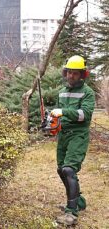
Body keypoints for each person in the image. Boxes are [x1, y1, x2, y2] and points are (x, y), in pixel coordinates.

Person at [50, 55, 95, 226]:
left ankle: (71, 213)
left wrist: (63, 112)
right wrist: (51, 123)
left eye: (75, 73)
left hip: (78, 134)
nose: (71, 76)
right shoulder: (62, 91)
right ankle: (79, 201)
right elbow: (57, 113)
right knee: (62, 169)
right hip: (63, 135)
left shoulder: (88, 93)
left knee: (69, 169)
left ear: (82, 75)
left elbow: (85, 114)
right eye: (69, 72)